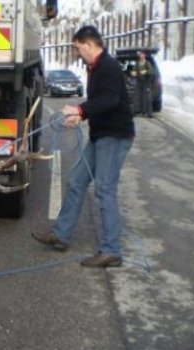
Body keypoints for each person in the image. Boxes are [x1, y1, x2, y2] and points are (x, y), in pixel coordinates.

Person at [32, 25, 135, 268]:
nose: (79, 54)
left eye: (79, 49)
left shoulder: (108, 67)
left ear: (89, 45)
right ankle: (61, 235)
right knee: (77, 180)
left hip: (115, 137)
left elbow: (110, 100)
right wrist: (80, 116)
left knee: (105, 190)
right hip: (100, 135)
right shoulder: (96, 67)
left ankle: (111, 251)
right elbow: (100, 102)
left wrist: (79, 110)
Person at [131, 50, 154, 117]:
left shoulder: (147, 63)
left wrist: (146, 71)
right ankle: (135, 111)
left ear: (145, 55)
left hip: (146, 82)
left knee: (147, 97)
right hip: (139, 82)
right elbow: (133, 70)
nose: (141, 56)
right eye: (140, 54)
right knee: (136, 96)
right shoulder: (137, 63)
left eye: (142, 54)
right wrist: (133, 72)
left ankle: (149, 113)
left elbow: (151, 71)